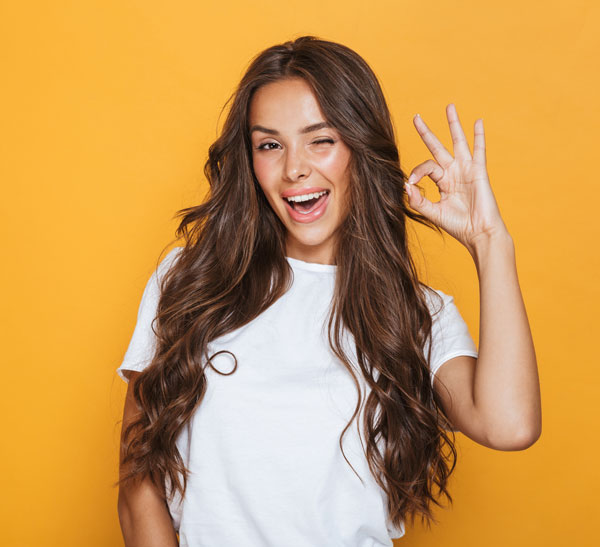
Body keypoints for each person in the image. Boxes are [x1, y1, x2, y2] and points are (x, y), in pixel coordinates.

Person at [115, 35, 541, 547]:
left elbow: (510, 425)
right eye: (270, 145)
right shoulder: (191, 280)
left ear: (360, 149)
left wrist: (490, 242)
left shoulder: (414, 313)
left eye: (321, 140)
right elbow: (139, 479)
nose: (295, 168)